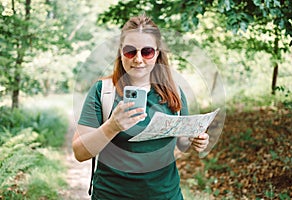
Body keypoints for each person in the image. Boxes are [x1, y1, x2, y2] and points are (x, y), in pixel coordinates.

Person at [72, 15, 210, 200]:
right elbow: (80, 153)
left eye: (146, 52)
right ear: (121, 52)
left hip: (166, 195)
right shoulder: (103, 91)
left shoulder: (174, 91)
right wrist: (112, 126)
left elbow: (182, 141)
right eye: (130, 51)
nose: (138, 59)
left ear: (158, 53)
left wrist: (196, 140)